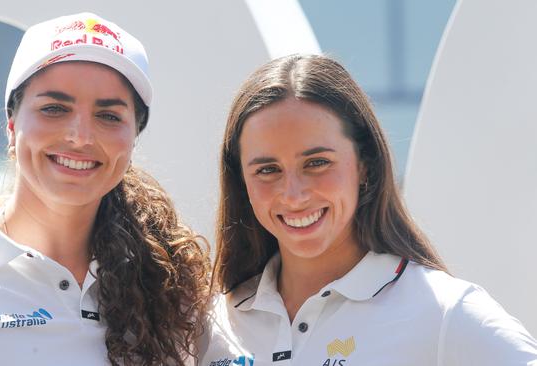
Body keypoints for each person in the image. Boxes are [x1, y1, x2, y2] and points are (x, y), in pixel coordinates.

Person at [0, 12, 210, 366]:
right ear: (11, 126)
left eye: (109, 116)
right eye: (54, 108)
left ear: (133, 140)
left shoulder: (171, 284)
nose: (80, 136)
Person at [199, 54, 537, 365]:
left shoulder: (443, 312)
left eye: (317, 163)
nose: (294, 194)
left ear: (365, 165)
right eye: (267, 170)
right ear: (241, 181)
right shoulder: (211, 326)